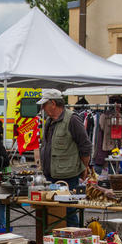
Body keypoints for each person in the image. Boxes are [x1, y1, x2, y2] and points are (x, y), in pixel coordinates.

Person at [38, 89, 91, 227]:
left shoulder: (72, 119)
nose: (42, 108)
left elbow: (85, 146)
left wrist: (84, 167)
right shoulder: (49, 121)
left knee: (69, 212)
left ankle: (74, 237)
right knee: (51, 212)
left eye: (44, 104)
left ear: (53, 103)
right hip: (50, 175)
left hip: (67, 175)